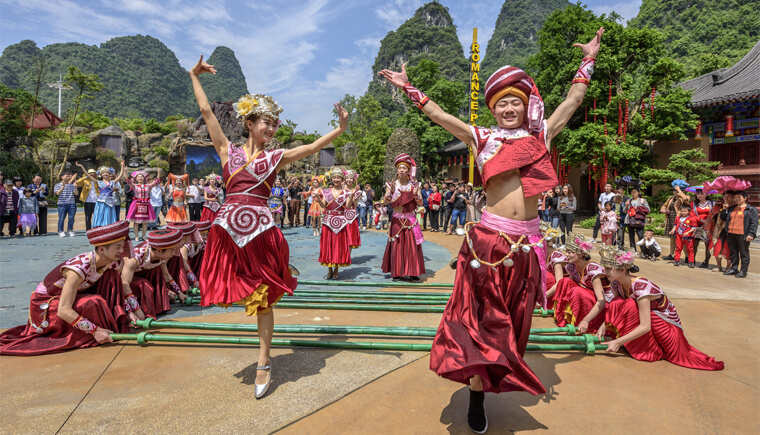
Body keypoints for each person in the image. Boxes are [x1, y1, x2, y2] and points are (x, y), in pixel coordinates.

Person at [380, 28, 604, 433]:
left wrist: (588, 59)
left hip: (527, 244)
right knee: (480, 321)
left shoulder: (540, 134)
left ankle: (491, 378)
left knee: (515, 325)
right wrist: (410, 89)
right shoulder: (481, 137)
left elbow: (572, 101)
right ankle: (477, 393)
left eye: (516, 102)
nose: (509, 109)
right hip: (488, 241)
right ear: (493, 109)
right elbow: (440, 116)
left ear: (526, 105)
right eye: (501, 104)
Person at [191, 55, 348, 399]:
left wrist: (339, 129)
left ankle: (264, 360)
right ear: (249, 123)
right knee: (228, 284)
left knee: (264, 299)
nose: (272, 128)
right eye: (266, 122)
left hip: (261, 231)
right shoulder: (226, 151)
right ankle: (260, 348)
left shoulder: (275, 158)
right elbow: (206, 113)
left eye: (275, 124)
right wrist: (194, 76)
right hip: (227, 231)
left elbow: (311, 148)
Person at [0, 220, 135, 355]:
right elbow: (63, 310)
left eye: (122, 246)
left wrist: (129, 312)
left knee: (111, 277)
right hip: (47, 302)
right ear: (101, 249)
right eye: (117, 247)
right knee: (92, 302)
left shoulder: (110, 264)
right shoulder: (78, 269)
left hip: (71, 297)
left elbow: (116, 290)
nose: (122, 251)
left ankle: (115, 321)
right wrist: (95, 330)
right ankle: (97, 330)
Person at [598, 247, 724, 370]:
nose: (605, 272)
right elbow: (615, 309)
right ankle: (630, 342)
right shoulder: (616, 283)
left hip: (664, 324)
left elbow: (645, 326)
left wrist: (618, 342)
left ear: (622, 270)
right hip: (648, 319)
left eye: (609, 269)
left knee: (630, 305)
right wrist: (603, 326)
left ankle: (650, 349)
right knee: (617, 302)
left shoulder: (640, 287)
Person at [552, 233, 617, 334]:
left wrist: (586, 320)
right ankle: (563, 316)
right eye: (567, 252)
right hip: (591, 298)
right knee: (564, 281)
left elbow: (602, 300)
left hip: (605, 305)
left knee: (577, 291)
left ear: (580, 254)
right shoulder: (571, 267)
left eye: (570, 252)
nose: (567, 255)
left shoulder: (592, 269)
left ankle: (581, 321)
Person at [121, 229, 185, 317]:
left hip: (140, 273)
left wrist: (179, 293)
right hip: (125, 280)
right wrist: (136, 310)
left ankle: (158, 306)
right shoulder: (135, 257)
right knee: (144, 284)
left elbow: (166, 274)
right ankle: (145, 311)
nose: (174, 253)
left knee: (157, 271)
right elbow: (124, 284)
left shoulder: (161, 254)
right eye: (171, 250)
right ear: (158, 251)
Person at [382, 154, 426, 282]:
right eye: (399, 167)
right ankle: (397, 272)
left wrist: (416, 194)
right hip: (396, 220)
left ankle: (413, 272)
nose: (401, 170)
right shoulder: (391, 185)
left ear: (408, 170)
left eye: (404, 168)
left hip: (410, 220)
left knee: (412, 247)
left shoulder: (414, 185)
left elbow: (421, 203)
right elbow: (385, 202)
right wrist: (390, 193)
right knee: (397, 246)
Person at [315, 167, 356, 280]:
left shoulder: (346, 192)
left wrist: (351, 194)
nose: (336, 179)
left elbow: (347, 206)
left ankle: (336, 270)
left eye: (338, 177)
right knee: (328, 246)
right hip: (328, 221)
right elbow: (323, 206)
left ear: (342, 179)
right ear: (331, 179)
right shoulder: (326, 191)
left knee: (339, 246)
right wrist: (318, 196)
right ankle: (329, 271)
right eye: (334, 177)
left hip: (341, 222)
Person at [78, 162, 126, 228]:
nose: (105, 173)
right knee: (100, 214)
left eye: (107, 172)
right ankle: (100, 227)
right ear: (101, 174)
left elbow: (120, 175)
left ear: (109, 174)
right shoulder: (98, 182)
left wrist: (122, 166)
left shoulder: (112, 182)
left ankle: (109, 227)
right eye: (103, 172)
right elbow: (88, 175)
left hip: (110, 201)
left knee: (109, 214)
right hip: (101, 201)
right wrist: (81, 166)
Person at [722, 190, 757, 278]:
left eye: (739, 197)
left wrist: (751, 234)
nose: (736, 199)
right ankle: (734, 268)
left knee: (744, 253)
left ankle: (743, 271)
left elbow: (754, 223)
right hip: (731, 233)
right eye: (735, 197)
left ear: (745, 198)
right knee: (733, 252)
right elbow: (723, 218)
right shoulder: (731, 208)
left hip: (743, 234)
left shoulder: (751, 209)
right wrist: (724, 209)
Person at [126, 169, 163, 241]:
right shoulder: (134, 186)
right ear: (136, 178)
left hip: (146, 204)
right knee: (136, 222)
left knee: (145, 222)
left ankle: (143, 236)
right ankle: (136, 236)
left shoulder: (148, 186)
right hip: (136, 204)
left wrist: (158, 173)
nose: (140, 178)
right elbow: (128, 181)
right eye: (138, 177)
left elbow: (156, 182)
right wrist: (124, 171)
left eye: (141, 177)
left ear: (144, 178)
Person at [660, 180, 690, 260]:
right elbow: (663, 206)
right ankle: (671, 254)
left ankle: (687, 256)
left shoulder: (684, 197)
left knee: (680, 238)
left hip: (679, 219)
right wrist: (664, 210)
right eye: (674, 190)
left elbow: (686, 200)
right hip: (671, 218)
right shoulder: (670, 198)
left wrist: (680, 191)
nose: (675, 192)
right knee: (672, 238)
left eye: (676, 191)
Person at [690, 188, 714, 268]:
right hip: (697, 226)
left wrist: (707, 222)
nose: (700, 195)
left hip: (708, 227)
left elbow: (714, 214)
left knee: (707, 244)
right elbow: (691, 214)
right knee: (694, 244)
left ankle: (706, 261)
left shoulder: (712, 203)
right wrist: (700, 220)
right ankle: (692, 260)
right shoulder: (693, 204)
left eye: (702, 193)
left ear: (706, 194)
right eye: (698, 194)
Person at [709, 192, 733, 273]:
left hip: (731, 230)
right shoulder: (718, 205)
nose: (726, 198)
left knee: (728, 248)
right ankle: (718, 265)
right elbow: (710, 217)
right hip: (718, 230)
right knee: (717, 247)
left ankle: (729, 266)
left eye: (728, 196)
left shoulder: (735, 206)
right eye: (724, 196)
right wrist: (708, 228)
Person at [54, 172, 78, 237]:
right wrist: (63, 186)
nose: (68, 177)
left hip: (71, 204)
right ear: (62, 177)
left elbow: (76, 193)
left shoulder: (72, 185)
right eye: (66, 176)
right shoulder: (57, 185)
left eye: (69, 176)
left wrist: (75, 187)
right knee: (61, 218)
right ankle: (61, 231)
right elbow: (58, 193)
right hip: (62, 204)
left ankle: (70, 230)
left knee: (71, 218)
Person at [344, 169, 362, 248]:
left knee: (350, 236)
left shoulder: (358, 192)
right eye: (347, 178)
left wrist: (353, 196)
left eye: (351, 178)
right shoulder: (341, 190)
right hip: (342, 214)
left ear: (354, 180)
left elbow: (356, 204)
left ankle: (348, 257)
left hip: (351, 214)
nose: (349, 180)